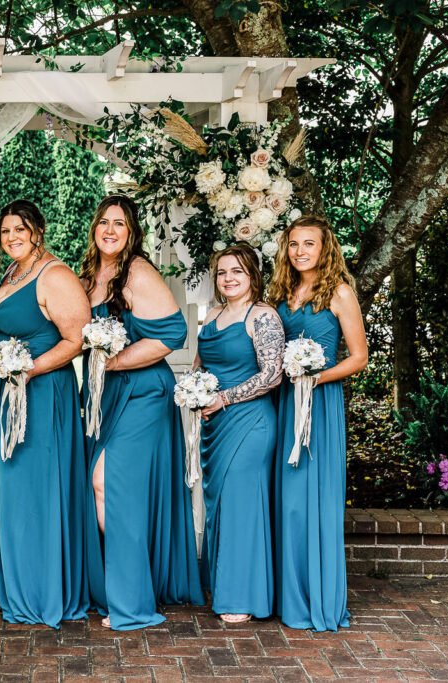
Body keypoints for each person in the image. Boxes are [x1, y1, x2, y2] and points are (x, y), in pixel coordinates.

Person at [79, 195, 203, 630]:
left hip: (144, 392)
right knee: (104, 487)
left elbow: (174, 332)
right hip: (107, 395)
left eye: (120, 224)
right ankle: (120, 585)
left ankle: (131, 604)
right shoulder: (91, 275)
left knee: (106, 483)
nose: (110, 230)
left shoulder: (137, 271)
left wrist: (112, 361)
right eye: (104, 222)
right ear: (94, 228)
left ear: (132, 233)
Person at [0, 199, 91, 628]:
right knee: (13, 491)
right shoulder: (12, 274)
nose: (12, 237)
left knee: (38, 491)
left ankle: (44, 588)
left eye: (20, 229)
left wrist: (28, 369)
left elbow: (76, 339)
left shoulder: (55, 275)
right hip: (6, 393)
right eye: (6, 231)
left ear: (37, 231)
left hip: (42, 394)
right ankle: (18, 581)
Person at [269, 215, 367, 632]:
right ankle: (284, 594)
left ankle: (316, 599)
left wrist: (314, 377)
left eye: (309, 244)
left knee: (311, 499)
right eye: (293, 244)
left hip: (318, 404)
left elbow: (359, 357)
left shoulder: (339, 292)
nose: (300, 251)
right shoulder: (280, 291)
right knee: (285, 499)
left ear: (325, 249)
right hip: (279, 402)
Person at [195, 243, 282, 624]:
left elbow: (272, 374)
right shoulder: (212, 315)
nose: (228, 278)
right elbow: (201, 364)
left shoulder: (262, 316)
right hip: (215, 424)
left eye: (238, 272)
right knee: (219, 506)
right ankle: (224, 583)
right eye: (222, 272)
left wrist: (224, 398)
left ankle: (243, 595)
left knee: (241, 506)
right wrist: (194, 392)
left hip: (250, 421)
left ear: (253, 276)